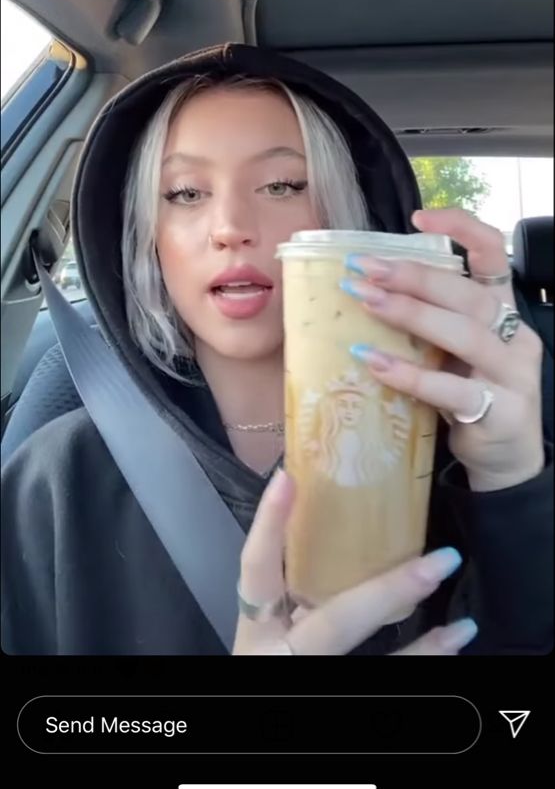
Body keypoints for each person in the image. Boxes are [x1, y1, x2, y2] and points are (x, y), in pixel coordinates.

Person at [1, 43, 552, 654]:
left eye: (283, 184)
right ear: (148, 239)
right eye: (185, 193)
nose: (231, 224)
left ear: (348, 219)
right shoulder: (55, 480)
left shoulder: (463, 457)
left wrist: (510, 484)